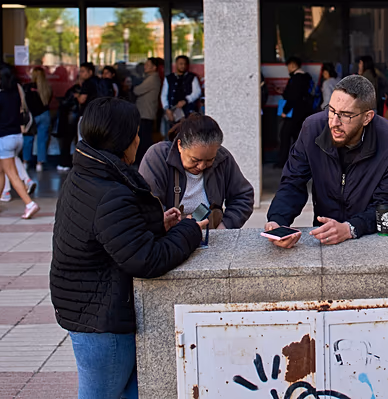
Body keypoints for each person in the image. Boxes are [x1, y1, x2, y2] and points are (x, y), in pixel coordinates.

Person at [50, 98, 206, 399]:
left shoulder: (85, 174)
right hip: (101, 320)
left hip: (84, 308)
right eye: (135, 133)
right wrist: (190, 229)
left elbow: (105, 235)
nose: (139, 139)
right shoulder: (109, 191)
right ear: (123, 141)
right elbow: (145, 259)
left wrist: (155, 225)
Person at [265, 75, 388, 248]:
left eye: (346, 115)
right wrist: (278, 220)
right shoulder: (312, 128)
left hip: (367, 237)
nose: (334, 122)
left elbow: (387, 202)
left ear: (367, 117)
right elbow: (292, 182)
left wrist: (350, 228)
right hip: (324, 234)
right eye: (331, 110)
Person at [139, 113, 254, 229]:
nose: (202, 166)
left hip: (211, 235)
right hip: (170, 236)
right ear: (180, 146)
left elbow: (244, 196)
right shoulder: (157, 157)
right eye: (195, 160)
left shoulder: (223, 158)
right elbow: (148, 205)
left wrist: (225, 226)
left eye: (210, 160)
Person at [0, 65, 40, 219]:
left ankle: (29, 204)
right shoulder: (15, 96)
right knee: (0, 169)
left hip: (3, 139)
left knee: (12, 174)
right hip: (17, 138)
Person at [276, 57, 314, 168]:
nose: (288, 68)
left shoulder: (297, 78)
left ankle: (283, 161)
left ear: (293, 65)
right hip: (303, 112)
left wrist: (285, 110)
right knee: (297, 136)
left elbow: (293, 97)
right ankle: (300, 161)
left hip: (294, 112)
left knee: (285, 135)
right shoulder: (306, 77)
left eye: (288, 66)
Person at [22, 67, 52, 172]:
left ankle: (25, 162)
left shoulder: (27, 87)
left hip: (31, 116)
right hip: (44, 115)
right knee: (42, 141)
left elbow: (25, 103)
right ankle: (40, 164)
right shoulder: (47, 88)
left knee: (28, 140)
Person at [133, 57, 162, 164]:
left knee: (144, 139)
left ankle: (144, 161)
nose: (145, 66)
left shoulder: (153, 78)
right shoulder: (150, 77)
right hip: (145, 112)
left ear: (154, 67)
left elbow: (137, 90)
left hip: (146, 113)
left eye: (148, 64)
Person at [162, 55, 202, 125]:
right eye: (181, 64)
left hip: (189, 112)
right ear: (176, 64)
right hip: (173, 112)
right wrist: (167, 109)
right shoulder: (169, 78)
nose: (183, 66)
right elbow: (163, 95)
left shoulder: (192, 77)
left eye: (185, 64)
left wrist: (186, 100)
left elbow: (197, 92)